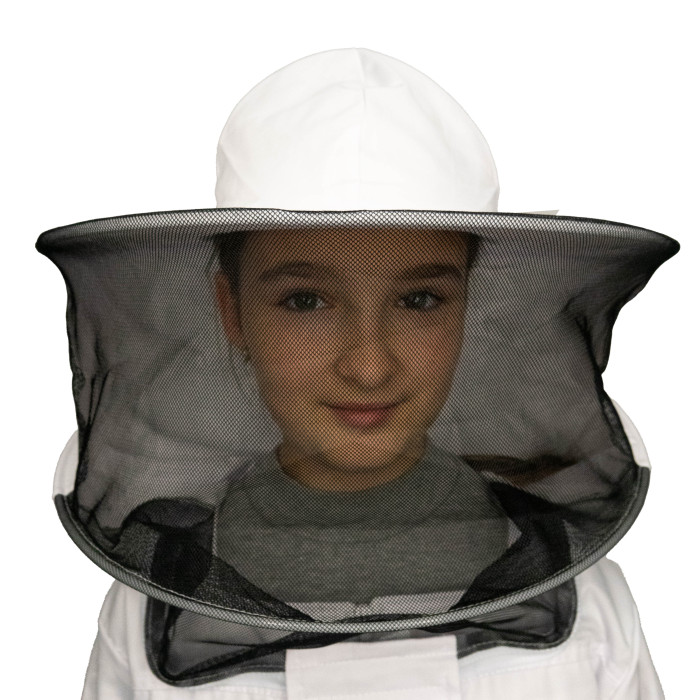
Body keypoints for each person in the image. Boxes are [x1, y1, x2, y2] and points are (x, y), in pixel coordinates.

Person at [40, 47, 674, 698]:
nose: (369, 367)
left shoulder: (587, 600)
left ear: (466, 308)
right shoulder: (150, 608)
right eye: (305, 301)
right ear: (233, 312)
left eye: (419, 300)